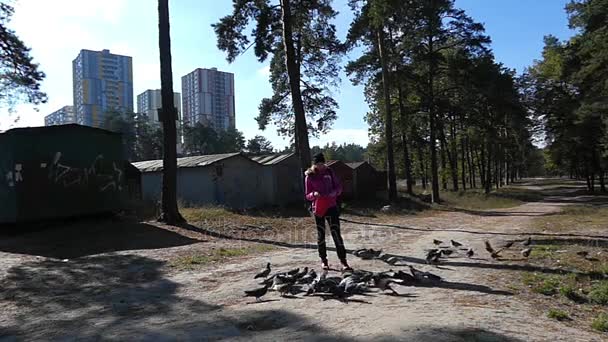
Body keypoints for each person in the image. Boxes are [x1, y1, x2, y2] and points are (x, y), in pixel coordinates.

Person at [305, 153, 352, 271]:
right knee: (321, 235)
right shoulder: (309, 176)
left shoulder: (330, 173)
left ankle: (343, 261)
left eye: (322, 164)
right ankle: (324, 260)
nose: (320, 166)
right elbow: (307, 195)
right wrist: (313, 194)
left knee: (336, 234)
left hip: (331, 206)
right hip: (319, 208)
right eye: (318, 164)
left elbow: (339, 187)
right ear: (314, 164)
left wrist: (334, 193)